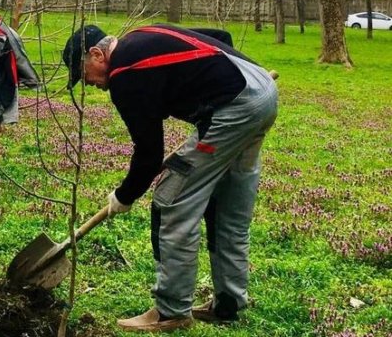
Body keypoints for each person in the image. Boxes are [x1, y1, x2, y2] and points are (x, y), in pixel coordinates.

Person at [63, 24, 278, 332]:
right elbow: (220, 38)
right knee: (226, 207)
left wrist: (124, 196)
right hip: (260, 91)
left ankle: (171, 310)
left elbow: (150, 154)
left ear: (97, 54)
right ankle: (227, 305)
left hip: (237, 108)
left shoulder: (125, 73)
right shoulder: (145, 35)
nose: (90, 83)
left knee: (171, 199)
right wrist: (233, 84)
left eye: (84, 75)